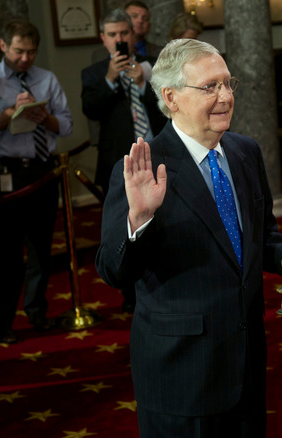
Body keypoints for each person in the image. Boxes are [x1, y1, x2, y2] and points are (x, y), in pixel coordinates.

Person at [94, 38, 282, 437]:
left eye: (228, 84)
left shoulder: (245, 152)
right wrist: (138, 219)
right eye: (210, 87)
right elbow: (112, 270)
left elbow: (261, 237)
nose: (225, 96)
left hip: (246, 365)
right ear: (171, 97)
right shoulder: (143, 167)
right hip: (181, 375)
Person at [0, 19, 73, 344]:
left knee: (41, 249)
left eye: (31, 52)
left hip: (43, 170)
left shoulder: (46, 78)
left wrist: (44, 118)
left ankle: (37, 311)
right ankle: (2, 323)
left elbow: (66, 124)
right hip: (6, 172)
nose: (25, 59)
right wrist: (8, 115)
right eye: (19, 51)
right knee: (8, 254)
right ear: (4, 45)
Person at [82, 9, 167, 312]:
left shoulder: (154, 68)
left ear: (133, 35)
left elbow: (167, 109)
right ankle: (130, 296)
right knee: (124, 227)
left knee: (160, 221)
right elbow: (91, 109)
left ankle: (161, 285)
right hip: (118, 165)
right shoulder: (93, 73)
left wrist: (144, 83)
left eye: (125, 33)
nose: (120, 39)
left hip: (159, 158)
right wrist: (110, 79)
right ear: (104, 38)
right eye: (113, 35)